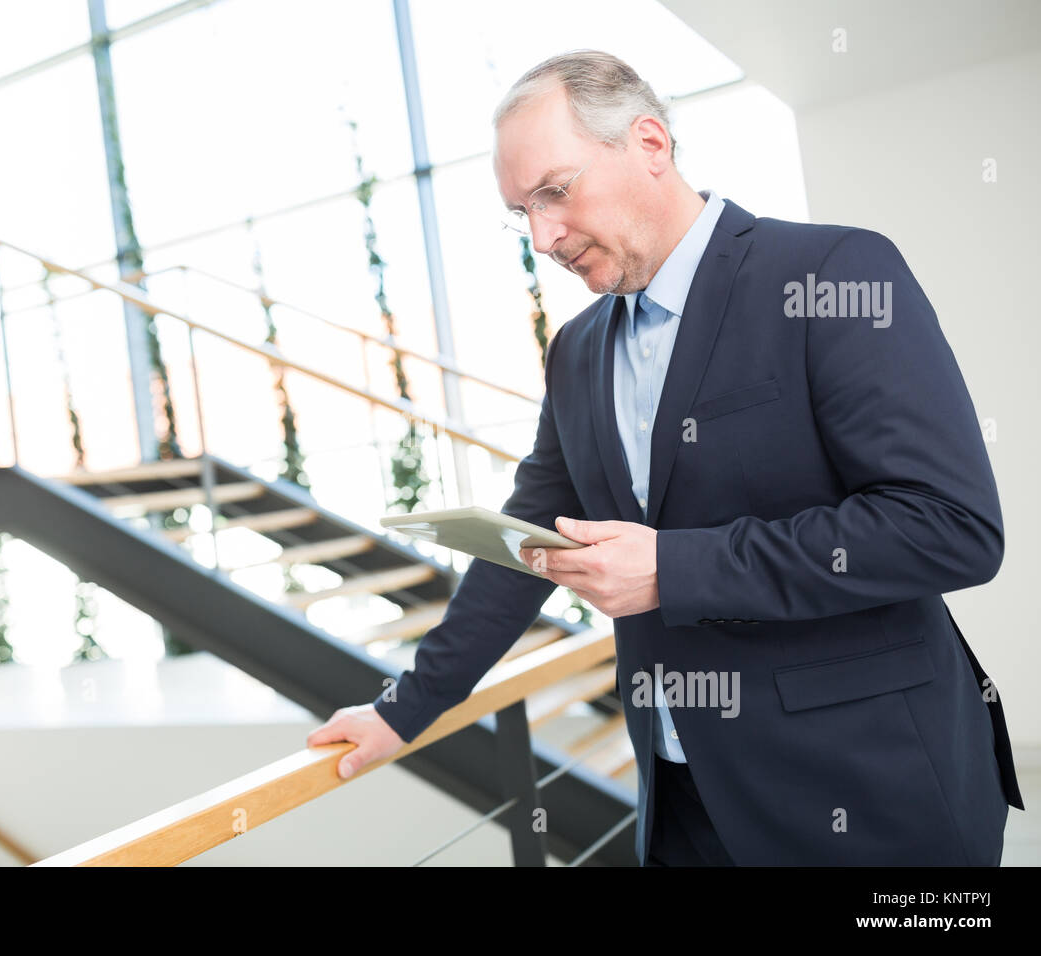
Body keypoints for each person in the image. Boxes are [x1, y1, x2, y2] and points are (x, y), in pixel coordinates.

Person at [306, 49, 1024, 865]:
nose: (543, 237)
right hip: (684, 802)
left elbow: (948, 526)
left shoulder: (830, 274)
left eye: (555, 191)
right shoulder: (577, 351)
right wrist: (406, 708)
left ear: (649, 143)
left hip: (865, 794)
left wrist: (674, 570)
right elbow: (523, 545)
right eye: (522, 213)